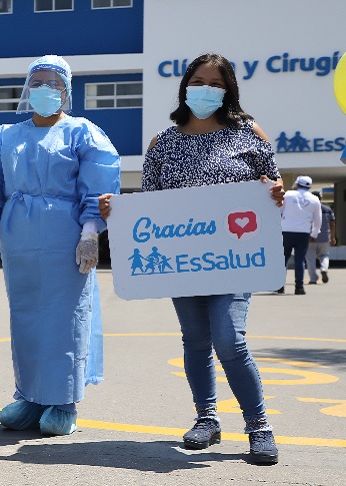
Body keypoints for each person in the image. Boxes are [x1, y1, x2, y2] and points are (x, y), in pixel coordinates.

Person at [101, 53, 284, 463]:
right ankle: (207, 419)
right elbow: (148, 205)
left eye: (216, 83)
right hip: (182, 264)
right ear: (185, 86)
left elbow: (272, 184)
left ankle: (259, 427)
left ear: (229, 90)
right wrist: (118, 210)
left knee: (229, 340)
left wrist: (275, 192)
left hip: (236, 261)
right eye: (199, 81)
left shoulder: (249, 134)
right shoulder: (163, 143)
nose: (206, 89)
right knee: (196, 342)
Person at [0, 55, 121, 436]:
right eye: (37, 82)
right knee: (26, 319)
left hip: (65, 239)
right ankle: (31, 396)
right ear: (27, 89)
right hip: (19, 242)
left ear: (66, 92)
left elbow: (99, 183)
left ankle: (63, 401)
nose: (44, 90)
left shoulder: (83, 133)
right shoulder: (6, 136)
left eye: (53, 84)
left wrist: (90, 233)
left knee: (64, 318)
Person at [279, 175, 321, 295]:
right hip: (304, 232)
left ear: (297, 184)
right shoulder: (314, 199)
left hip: (286, 230)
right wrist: (314, 233)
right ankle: (299, 287)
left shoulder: (288, 195)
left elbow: (279, 211)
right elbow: (318, 219)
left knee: (283, 259)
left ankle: (280, 286)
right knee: (300, 260)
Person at [306, 190, 335, 284]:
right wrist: (333, 237)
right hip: (325, 238)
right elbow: (332, 224)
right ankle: (324, 268)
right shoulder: (328, 210)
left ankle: (313, 278)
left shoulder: (307, 209)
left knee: (310, 258)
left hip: (310, 238)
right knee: (324, 255)